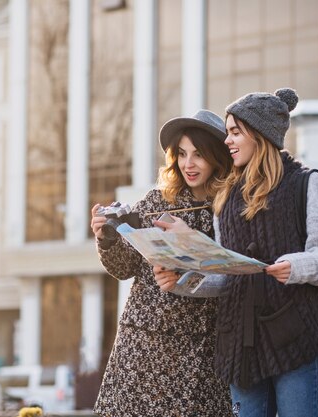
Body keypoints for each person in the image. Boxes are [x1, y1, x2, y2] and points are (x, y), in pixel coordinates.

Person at [153, 89, 318, 417]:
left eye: (235, 132)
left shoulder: (306, 183)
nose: (227, 141)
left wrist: (293, 266)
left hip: (295, 340)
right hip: (240, 346)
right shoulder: (225, 198)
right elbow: (228, 276)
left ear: (260, 134)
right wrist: (183, 280)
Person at [91, 109, 234, 417]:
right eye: (181, 154)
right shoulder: (156, 201)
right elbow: (124, 268)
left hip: (199, 345)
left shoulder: (228, 205)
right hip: (143, 339)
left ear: (217, 157)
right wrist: (106, 238)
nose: (188, 164)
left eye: (198, 155)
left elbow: (230, 271)